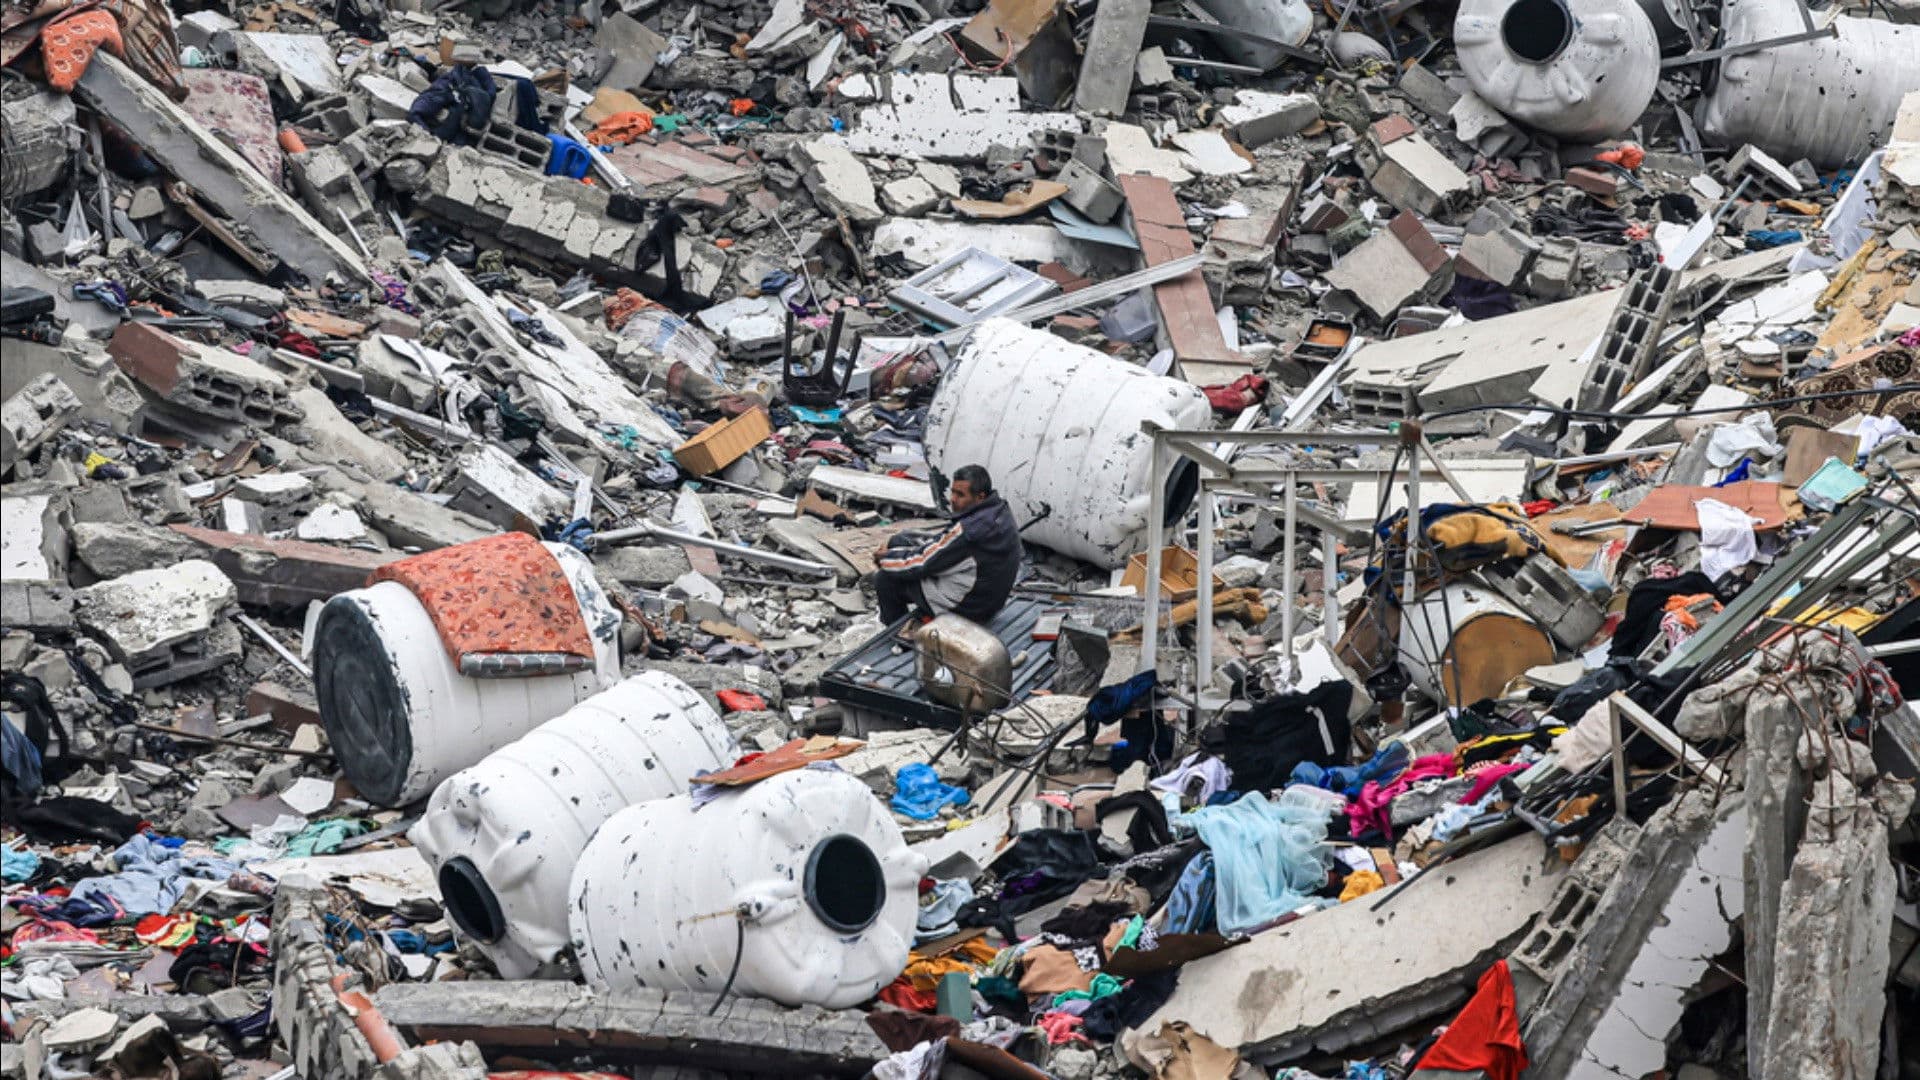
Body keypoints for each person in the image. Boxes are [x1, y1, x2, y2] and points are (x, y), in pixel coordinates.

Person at [873, 465, 1020, 625]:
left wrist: (885, 558)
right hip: (989, 599)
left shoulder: (969, 532)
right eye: (953, 492)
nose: (952, 499)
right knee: (900, 541)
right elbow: (943, 545)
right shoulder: (999, 509)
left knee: (885, 579)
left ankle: (898, 634)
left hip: (969, 609)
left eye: (960, 495)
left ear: (980, 497)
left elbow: (922, 563)